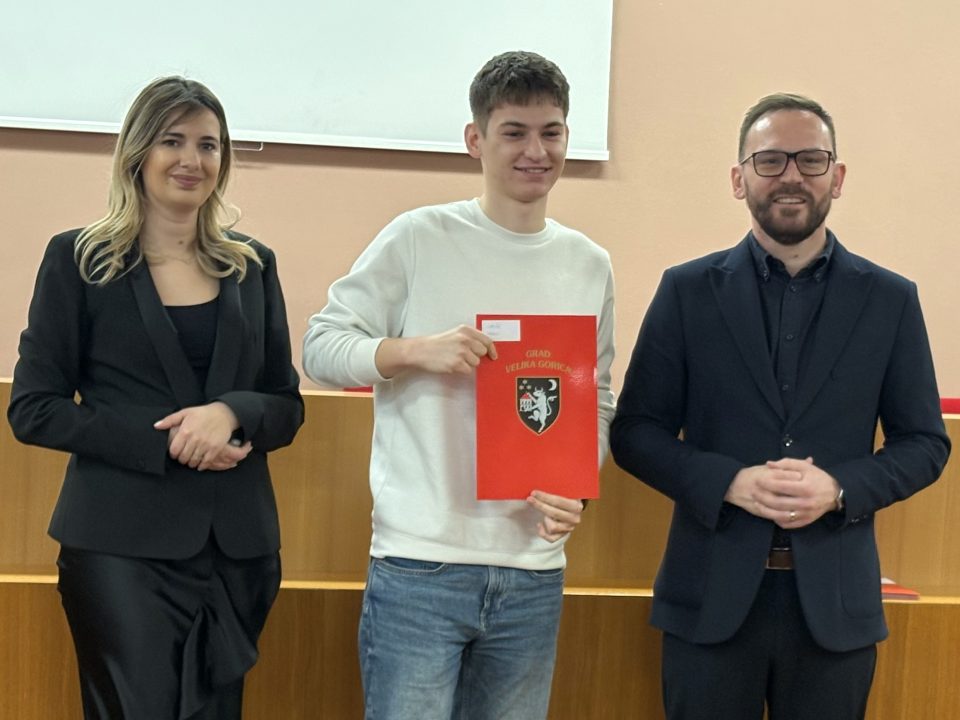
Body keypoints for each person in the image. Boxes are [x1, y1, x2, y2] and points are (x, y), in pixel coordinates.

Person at [610, 93, 950, 719]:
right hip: (707, 600)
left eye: (810, 159)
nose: (791, 175)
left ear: (836, 177)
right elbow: (634, 431)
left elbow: (926, 444)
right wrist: (728, 482)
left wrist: (840, 489)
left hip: (835, 609)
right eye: (769, 160)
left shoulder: (890, 300)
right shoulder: (687, 291)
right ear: (738, 180)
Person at [302, 50, 615, 720]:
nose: (536, 151)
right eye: (514, 132)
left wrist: (578, 488)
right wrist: (413, 350)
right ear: (476, 139)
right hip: (421, 565)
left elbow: (598, 399)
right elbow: (320, 348)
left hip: (534, 570)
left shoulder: (589, 264)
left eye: (551, 132)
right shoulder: (419, 237)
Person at [7, 76, 304, 719]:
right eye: (173, 141)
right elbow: (33, 408)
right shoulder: (80, 259)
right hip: (119, 550)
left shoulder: (253, 265)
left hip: (238, 553)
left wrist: (232, 413)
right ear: (138, 152)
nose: (192, 160)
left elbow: (285, 404)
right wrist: (165, 441)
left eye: (208, 145)